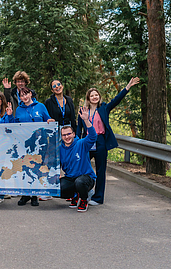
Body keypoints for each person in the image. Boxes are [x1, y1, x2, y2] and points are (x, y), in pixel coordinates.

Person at [77, 77, 140, 206]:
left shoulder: (104, 108)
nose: (94, 97)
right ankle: (84, 192)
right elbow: (79, 129)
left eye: (96, 95)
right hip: (87, 142)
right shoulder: (83, 111)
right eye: (92, 95)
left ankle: (98, 197)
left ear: (99, 97)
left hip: (100, 141)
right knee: (82, 169)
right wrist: (77, 143)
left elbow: (117, 99)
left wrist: (127, 87)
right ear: (88, 98)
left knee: (101, 170)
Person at [11, 87, 55, 206]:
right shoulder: (19, 109)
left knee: (36, 168)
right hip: (24, 143)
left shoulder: (40, 106)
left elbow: (47, 119)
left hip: (39, 143)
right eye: (22, 95)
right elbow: (15, 125)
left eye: (26, 94)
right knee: (24, 168)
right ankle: (25, 195)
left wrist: (50, 121)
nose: (24, 97)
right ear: (19, 97)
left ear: (30, 94)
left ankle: (34, 195)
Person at [42, 79, 77, 201]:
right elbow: (45, 118)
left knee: (70, 159)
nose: (57, 87)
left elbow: (73, 118)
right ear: (52, 90)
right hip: (55, 133)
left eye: (58, 85)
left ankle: (72, 190)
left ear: (62, 86)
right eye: (54, 86)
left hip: (68, 132)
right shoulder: (49, 102)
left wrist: (75, 134)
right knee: (52, 160)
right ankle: (49, 189)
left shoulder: (69, 100)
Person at [59, 107, 97, 212]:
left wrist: (86, 120)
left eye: (69, 134)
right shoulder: (60, 149)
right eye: (64, 135)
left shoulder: (81, 144)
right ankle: (75, 195)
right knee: (57, 188)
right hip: (70, 178)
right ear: (61, 137)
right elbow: (56, 164)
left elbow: (93, 136)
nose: (67, 137)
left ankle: (84, 199)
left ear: (74, 134)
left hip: (86, 177)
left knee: (79, 182)